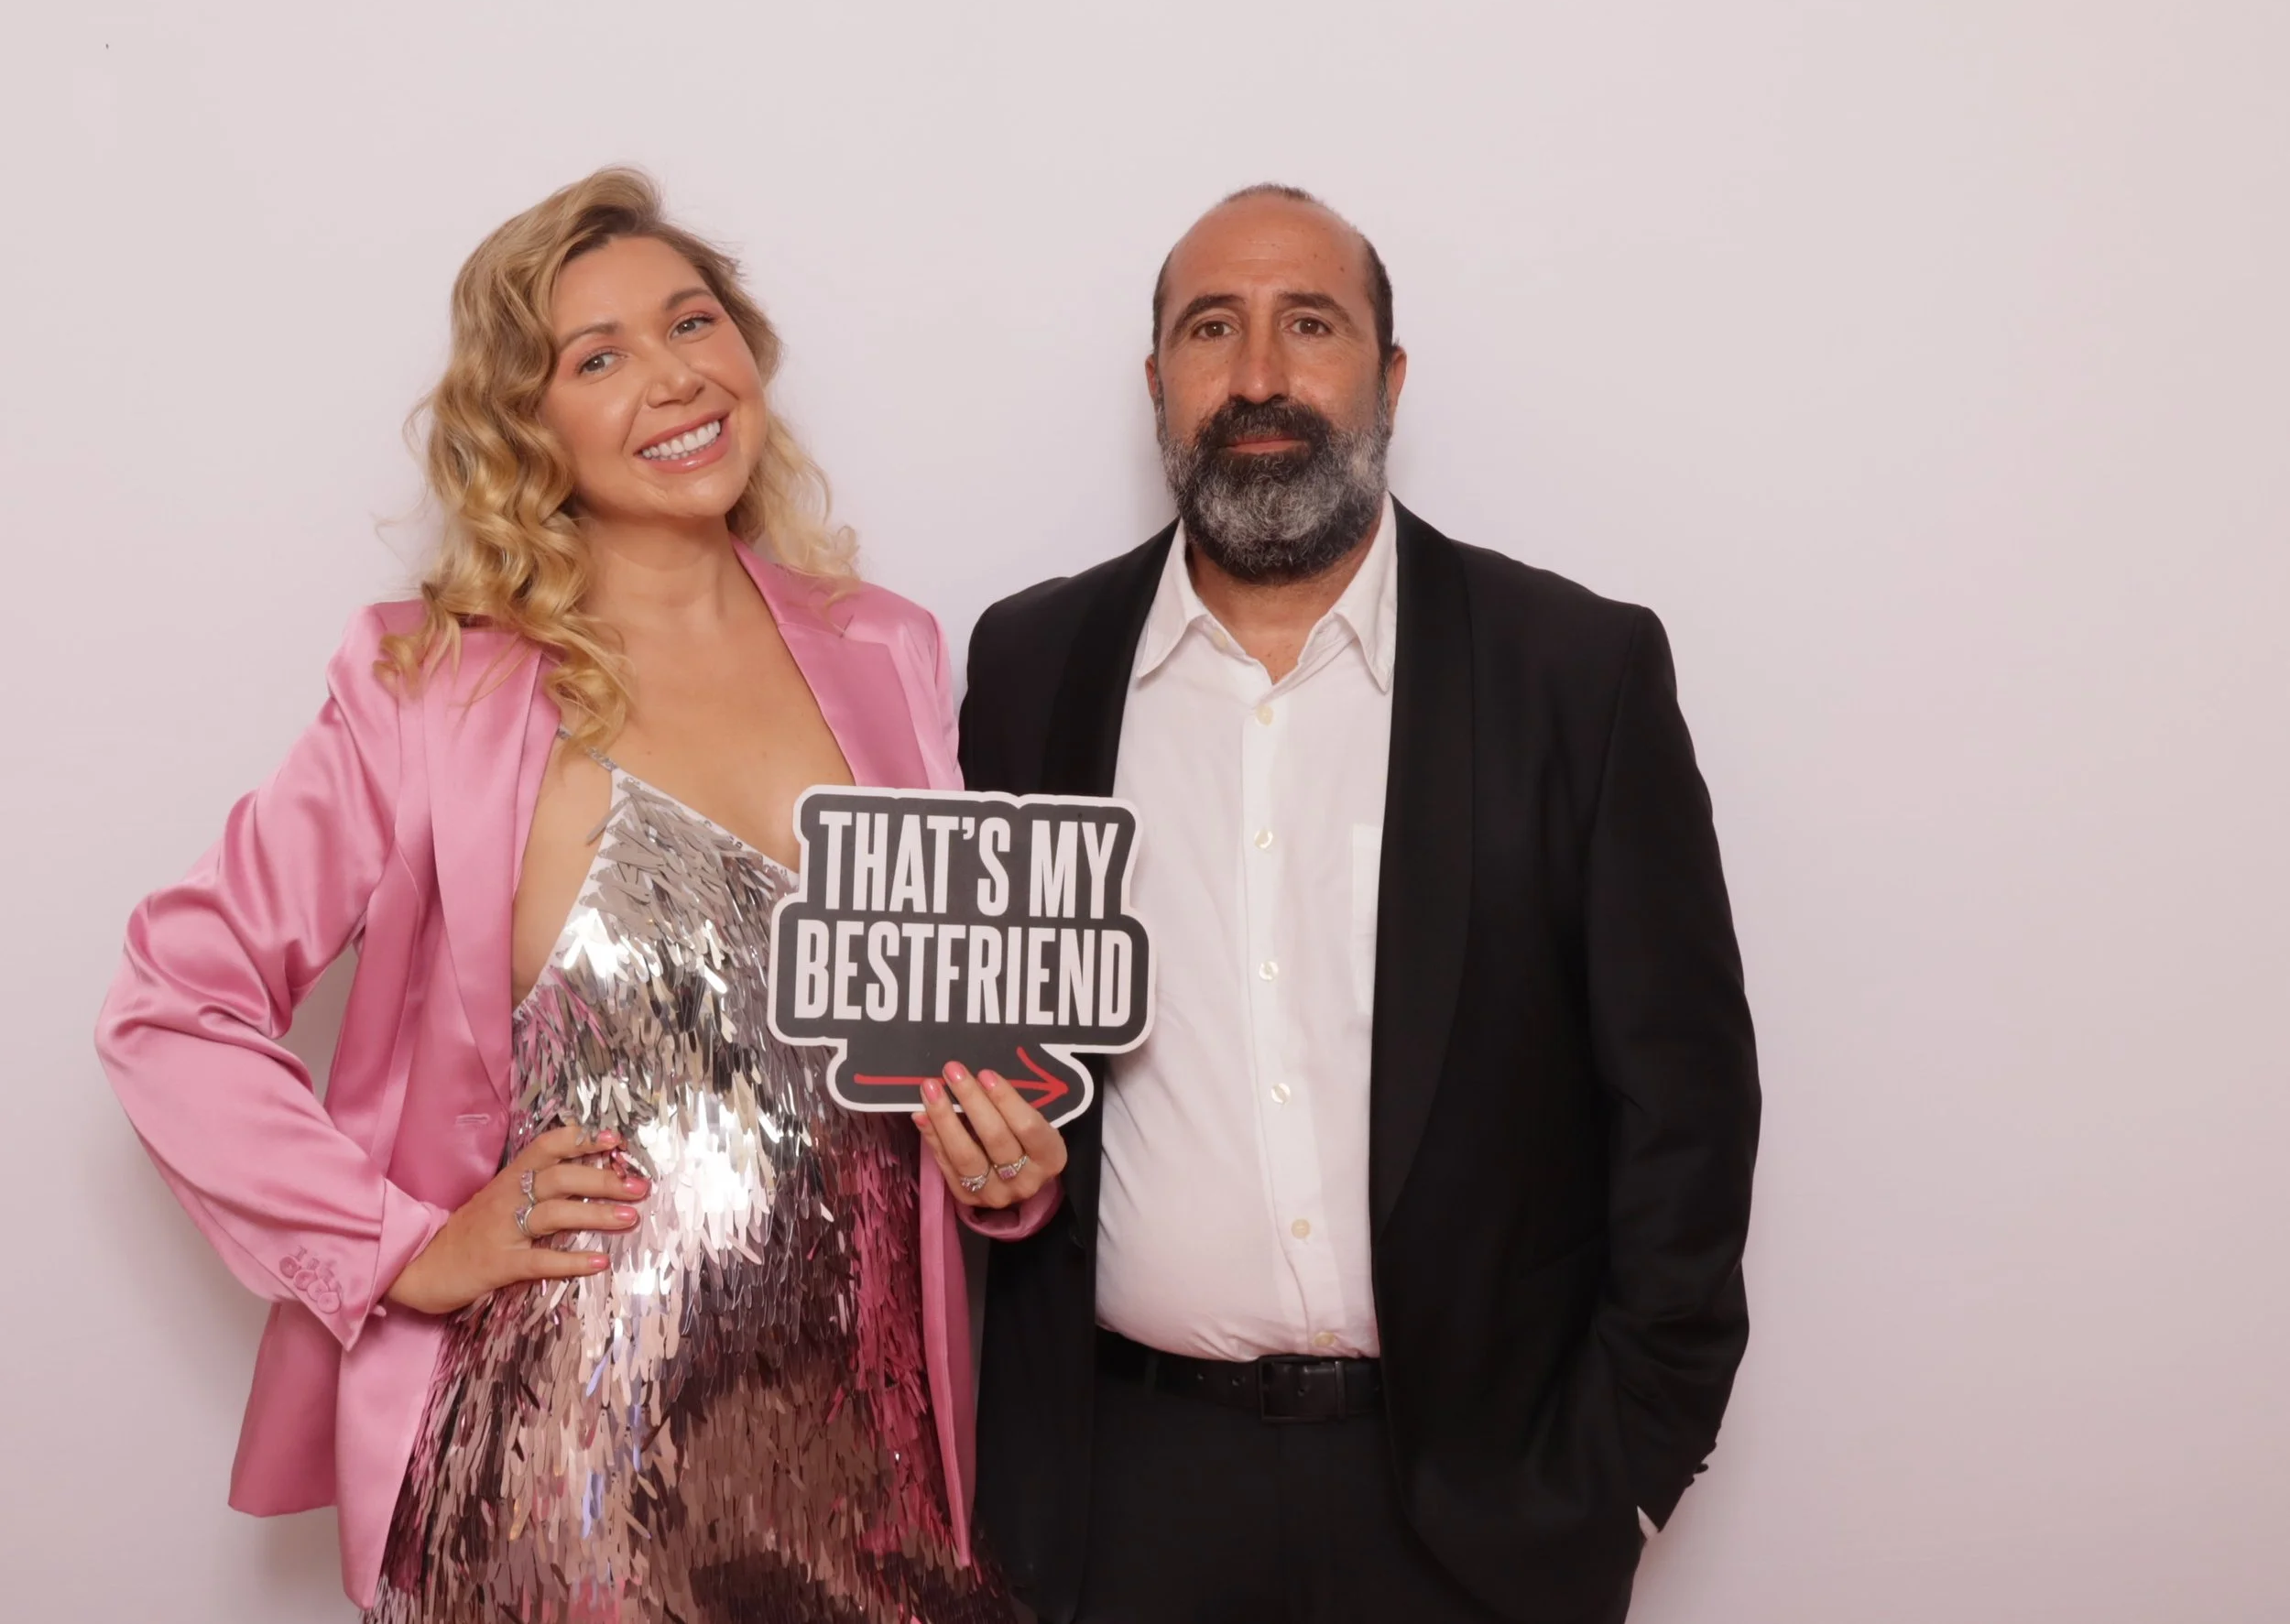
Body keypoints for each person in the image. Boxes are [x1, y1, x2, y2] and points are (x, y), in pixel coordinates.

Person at [93, 168, 1060, 1622]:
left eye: (692, 321)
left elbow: (938, 1038)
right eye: (596, 357)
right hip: (571, 1486)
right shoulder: (430, 687)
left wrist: (1002, 1172)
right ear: (524, 424)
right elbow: (173, 1001)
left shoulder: (892, 652)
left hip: (878, 1473)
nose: (672, 376)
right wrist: (405, 1248)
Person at [956, 185, 1762, 1624]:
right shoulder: (1031, 664)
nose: (1259, 374)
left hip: (1472, 1509)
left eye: (1308, 324)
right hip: (1121, 1502)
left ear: (1389, 378)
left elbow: (1686, 1111)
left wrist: (1619, 1475)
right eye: (1213, 328)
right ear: (1157, 385)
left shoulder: (1574, 674)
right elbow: (993, 1051)